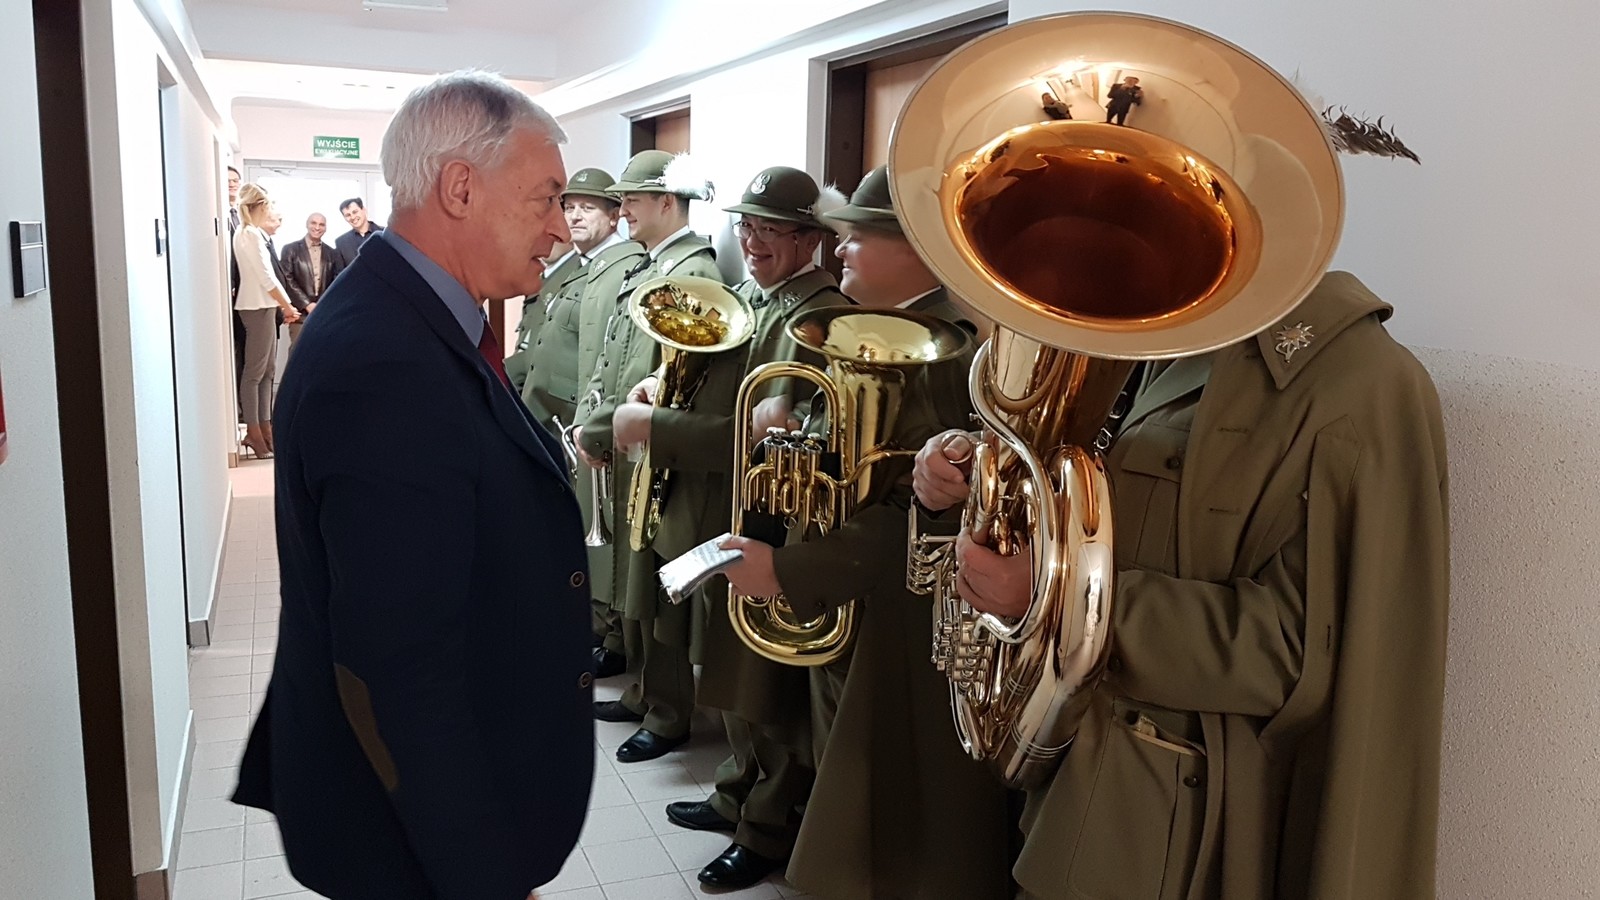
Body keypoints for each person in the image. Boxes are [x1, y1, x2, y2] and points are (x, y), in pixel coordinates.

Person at [912, 271, 1450, 899]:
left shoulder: (1362, 383)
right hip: (1072, 789)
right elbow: (1087, 496)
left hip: (1160, 835)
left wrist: (1057, 599)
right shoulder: (1161, 334)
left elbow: (1298, 648)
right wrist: (978, 472)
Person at [231, 70, 593, 900]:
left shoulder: (412, 317)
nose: (559, 227)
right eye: (545, 198)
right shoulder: (386, 363)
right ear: (460, 188)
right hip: (408, 840)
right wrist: (483, 875)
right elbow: (398, 668)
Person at [715, 165, 1013, 900]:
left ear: (917, 248)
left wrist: (790, 573)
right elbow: (861, 460)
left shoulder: (945, 350)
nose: (840, 249)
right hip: (853, 598)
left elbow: (918, 507)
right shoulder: (874, 328)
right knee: (845, 773)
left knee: (883, 799)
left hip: (889, 611)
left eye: (858, 236)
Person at [646, 166, 852, 890]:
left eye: (771, 230)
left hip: (779, 519)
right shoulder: (760, 300)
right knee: (734, 664)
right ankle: (737, 791)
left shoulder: (823, 316)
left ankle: (767, 824)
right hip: (736, 505)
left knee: (771, 681)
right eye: (747, 226)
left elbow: (809, 429)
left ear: (810, 240)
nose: (753, 241)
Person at [571, 149, 721, 764]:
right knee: (635, 583)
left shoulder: (692, 271)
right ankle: (645, 692)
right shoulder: (657, 264)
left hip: (658, 449)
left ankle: (667, 710)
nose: (624, 209)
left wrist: (602, 430)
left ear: (667, 201)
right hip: (634, 445)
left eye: (633, 198)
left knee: (659, 591)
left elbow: (654, 372)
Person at [507, 167, 627, 435]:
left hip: (577, 420)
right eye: (569, 208)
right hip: (545, 414)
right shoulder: (575, 265)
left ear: (613, 217)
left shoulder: (622, 266)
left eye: (587, 208)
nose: (575, 217)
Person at [231, 185, 300, 459]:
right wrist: (288, 305)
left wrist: (282, 305)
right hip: (256, 306)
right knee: (255, 372)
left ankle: (265, 427)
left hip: (265, 306)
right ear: (258, 206)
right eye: (268, 206)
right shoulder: (248, 234)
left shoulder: (254, 234)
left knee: (268, 370)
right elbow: (265, 277)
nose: (270, 211)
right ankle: (254, 431)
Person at [279, 212, 346, 353]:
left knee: (323, 354)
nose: (317, 227)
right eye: (313, 223)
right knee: (298, 352)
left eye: (321, 224)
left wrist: (323, 305)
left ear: (326, 228)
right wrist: (307, 304)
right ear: (307, 225)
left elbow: (337, 280)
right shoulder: (290, 249)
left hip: (325, 312)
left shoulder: (333, 253)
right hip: (299, 313)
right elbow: (287, 278)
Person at [227, 165, 246, 413]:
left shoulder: (241, 215)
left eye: (235, 180)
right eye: (228, 180)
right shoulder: (220, 212)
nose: (232, 184)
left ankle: (242, 406)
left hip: (242, 291)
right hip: (232, 293)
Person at [335, 196, 386, 267]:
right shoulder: (341, 243)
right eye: (348, 215)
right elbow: (341, 272)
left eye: (355, 212)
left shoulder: (386, 234)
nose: (352, 217)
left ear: (364, 210)